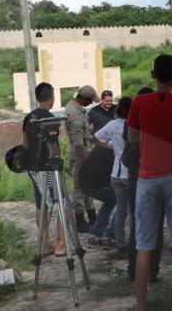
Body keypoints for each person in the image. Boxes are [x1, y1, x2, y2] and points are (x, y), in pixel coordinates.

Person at [126, 55, 172, 311]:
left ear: (152, 73)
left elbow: (132, 137)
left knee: (144, 244)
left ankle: (141, 306)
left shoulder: (139, 102)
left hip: (147, 178)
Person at [124, 87, 164, 284]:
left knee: (137, 225)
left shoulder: (130, 122)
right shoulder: (155, 123)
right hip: (154, 176)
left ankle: (133, 269)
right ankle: (153, 271)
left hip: (134, 177)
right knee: (156, 226)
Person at [22, 82, 65, 257]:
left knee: (41, 205)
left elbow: (25, 144)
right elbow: (53, 145)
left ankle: (46, 243)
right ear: (51, 97)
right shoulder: (50, 118)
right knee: (61, 203)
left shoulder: (28, 118)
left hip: (33, 168)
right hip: (50, 168)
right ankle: (61, 245)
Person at [93, 96, 133, 256]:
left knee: (121, 210)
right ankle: (134, 243)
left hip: (116, 174)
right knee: (133, 210)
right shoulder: (134, 125)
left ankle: (120, 243)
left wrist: (111, 147)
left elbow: (93, 137)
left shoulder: (112, 124)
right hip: (131, 174)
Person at [65, 85, 100, 233]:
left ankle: (92, 217)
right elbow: (78, 141)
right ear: (83, 98)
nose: (91, 103)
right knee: (80, 187)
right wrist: (87, 159)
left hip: (84, 151)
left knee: (88, 185)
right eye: (90, 100)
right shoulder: (75, 114)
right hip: (80, 153)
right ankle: (80, 221)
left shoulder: (76, 108)